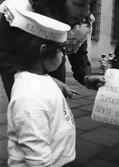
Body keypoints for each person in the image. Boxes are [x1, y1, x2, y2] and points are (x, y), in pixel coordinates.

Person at [3, 8, 76, 167]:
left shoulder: (37, 77)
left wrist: (57, 86)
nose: (64, 56)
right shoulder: (30, 99)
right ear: (43, 51)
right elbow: (37, 160)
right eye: (61, 50)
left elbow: (44, 83)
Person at [0, 0, 105, 100]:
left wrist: (85, 76)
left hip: (55, 68)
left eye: (88, 4)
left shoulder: (78, 19)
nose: (85, 12)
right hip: (20, 78)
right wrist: (42, 82)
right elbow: (6, 59)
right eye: (79, 4)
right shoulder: (16, 13)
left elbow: (77, 51)